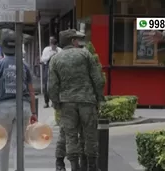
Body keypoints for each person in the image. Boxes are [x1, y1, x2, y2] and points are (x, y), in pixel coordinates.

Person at [49, 29, 105, 171]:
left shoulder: (55, 59)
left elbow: (52, 86)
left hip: (67, 102)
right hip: (87, 100)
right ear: (73, 41)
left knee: (70, 135)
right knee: (90, 134)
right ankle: (92, 166)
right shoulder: (85, 54)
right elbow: (98, 79)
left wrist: (56, 103)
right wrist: (99, 98)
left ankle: (74, 166)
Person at [0, 29, 37, 171]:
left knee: (3, 142)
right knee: (19, 143)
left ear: (3, 46)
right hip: (24, 107)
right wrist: (34, 112)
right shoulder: (25, 65)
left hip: (4, 108)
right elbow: (32, 91)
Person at [54, 32, 88, 171]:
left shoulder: (59, 57)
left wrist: (56, 102)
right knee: (69, 133)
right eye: (78, 40)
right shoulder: (82, 56)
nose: (79, 42)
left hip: (70, 101)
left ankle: (62, 162)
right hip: (75, 101)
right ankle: (67, 162)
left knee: (67, 133)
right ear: (72, 41)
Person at [41, 36, 62, 108]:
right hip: (48, 67)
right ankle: (46, 102)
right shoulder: (46, 50)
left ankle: (54, 101)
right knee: (46, 85)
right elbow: (42, 59)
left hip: (57, 68)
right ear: (51, 44)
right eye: (53, 46)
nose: (54, 47)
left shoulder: (60, 50)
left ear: (57, 45)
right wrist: (50, 55)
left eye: (55, 46)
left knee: (55, 85)